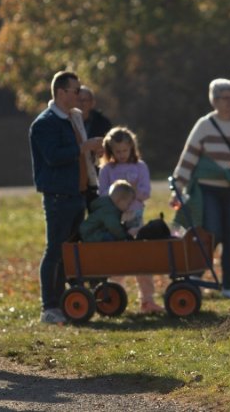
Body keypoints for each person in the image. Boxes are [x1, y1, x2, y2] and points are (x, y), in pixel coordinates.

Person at [172, 78, 230, 301]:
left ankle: (229, 286)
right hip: (208, 190)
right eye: (226, 98)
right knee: (211, 235)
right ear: (215, 100)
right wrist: (178, 187)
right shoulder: (204, 125)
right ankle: (196, 280)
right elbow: (189, 157)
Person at [30, 71, 102, 325]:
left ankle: (68, 302)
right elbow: (52, 157)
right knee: (55, 251)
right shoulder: (45, 123)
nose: (80, 95)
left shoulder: (74, 118)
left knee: (70, 252)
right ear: (61, 93)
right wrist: (83, 147)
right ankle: (49, 306)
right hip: (59, 196)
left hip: (76, 194)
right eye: (75, 90)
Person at [97, 127, 161, 313]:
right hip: (115, 220)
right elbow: (102, 195)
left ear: (131, 148)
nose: (122, 155)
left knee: (140, 257)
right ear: (111, 151)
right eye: (117, 151)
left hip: (135, 218)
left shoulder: (140, 167)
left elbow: (145, 192)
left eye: (125, 150)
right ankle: (113, 297)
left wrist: (131, 192)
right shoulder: (107, 169)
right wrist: (116, 196)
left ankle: (147, 300)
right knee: (117, 258)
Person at [76, 85, 111, 205]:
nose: (81, 103)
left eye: (84, 100)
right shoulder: (68, 121)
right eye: (78, 100)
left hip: (98, 174)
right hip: (78, 174)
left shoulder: (103, 123)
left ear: (92, 103)